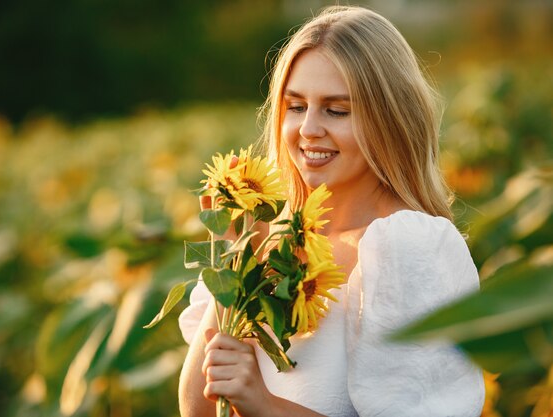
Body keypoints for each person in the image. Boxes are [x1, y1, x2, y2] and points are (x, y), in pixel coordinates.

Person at [177, 5, 485, 417]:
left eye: (336, 110)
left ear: (390, 118)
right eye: (296, 106)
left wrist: (265, 405)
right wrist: (233, 265)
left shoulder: (406, 247)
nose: (308, 129)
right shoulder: (271, 237)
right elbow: (196, 408)